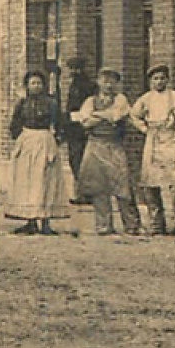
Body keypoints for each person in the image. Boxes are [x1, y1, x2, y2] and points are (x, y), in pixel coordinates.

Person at [129, 64, 175, 236]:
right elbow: (133, 115)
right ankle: (156, 223)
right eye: (155, 78)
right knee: (150, 182)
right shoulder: (146, 99)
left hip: (170, 140)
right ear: (150, 82)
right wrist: (144, 128)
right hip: (152, 140)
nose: (159, 81)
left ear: (167, 80)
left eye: (162, 78)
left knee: (174, 182)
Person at [74, 69, 141, 236]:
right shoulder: (90, 100)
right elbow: (85, 122)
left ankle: (131, 225)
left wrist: (97, 116)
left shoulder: (121, 99)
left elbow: (116, 116)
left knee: (122, 186)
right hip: (95, 145)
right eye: (105, 81)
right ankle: (103, 225)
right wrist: (102, 116)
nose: (109, 85)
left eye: (112, 81)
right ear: (98, 82)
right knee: (98, 187)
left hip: (114, 145)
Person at [3, 71, 69, 235]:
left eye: (39, 83)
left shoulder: (51, 104)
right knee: (27, 180)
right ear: (27, 86)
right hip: (27, 141)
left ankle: (45, 221)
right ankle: (30, 221)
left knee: (45, 180)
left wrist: (55, 139)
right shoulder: (22, 104)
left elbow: (60, 123)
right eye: (33, 83)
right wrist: (22, 138)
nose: (36, 86)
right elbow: (14, 124)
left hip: (44, 140)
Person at [60, 57, 97, 201]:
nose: (73, 71)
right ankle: (81, 191)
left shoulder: (87, 86)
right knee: (75, 159)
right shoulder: (74, 85)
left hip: (82, 127)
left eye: (75, 69)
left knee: (80, 160)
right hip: (74, 128)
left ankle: (85, 193)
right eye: (71, 68)